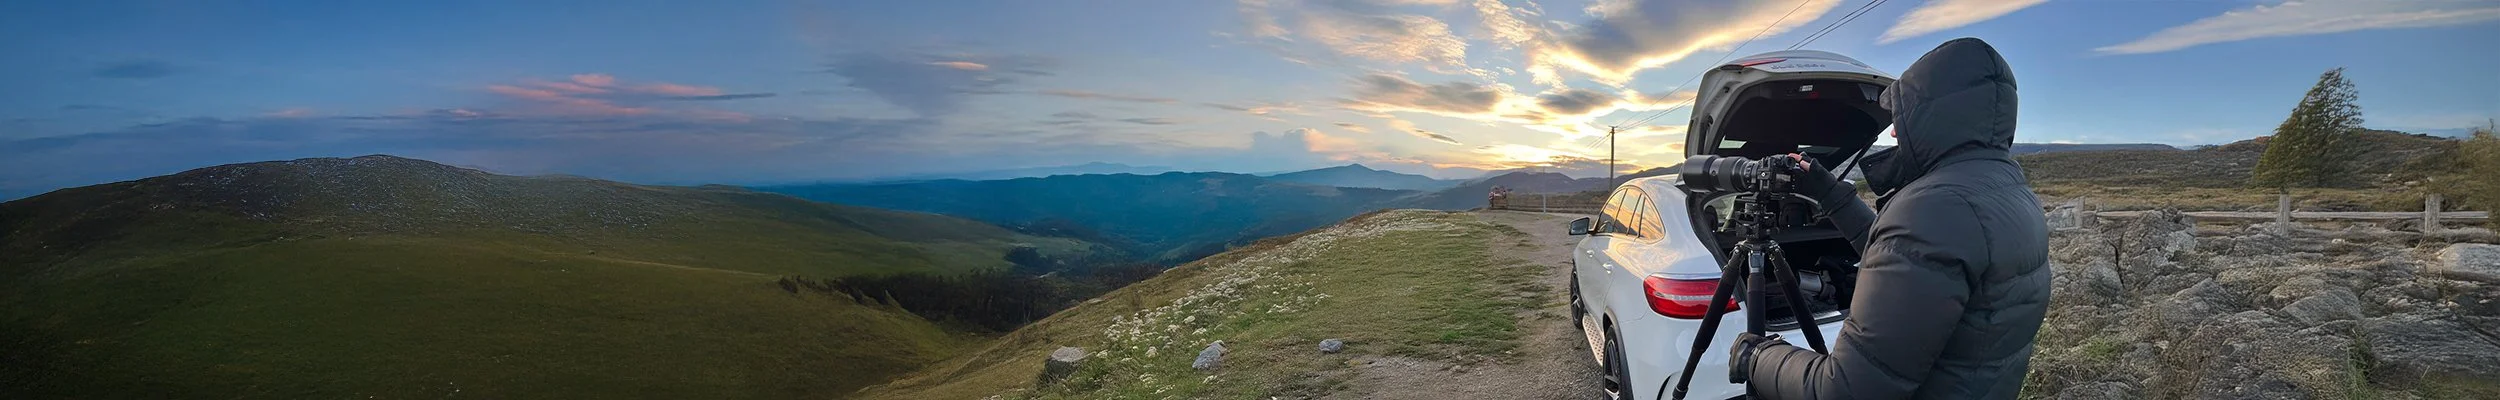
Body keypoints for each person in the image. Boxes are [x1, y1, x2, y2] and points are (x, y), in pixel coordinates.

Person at [1726, 38, 2052, 399]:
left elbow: (1847, 391)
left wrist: (1756, 355)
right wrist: (1829, 192)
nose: (1894, 131)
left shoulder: (1933, 210)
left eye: (1903, 116)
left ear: (1935, 118)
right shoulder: (2009, 193)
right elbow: (1913, 258)